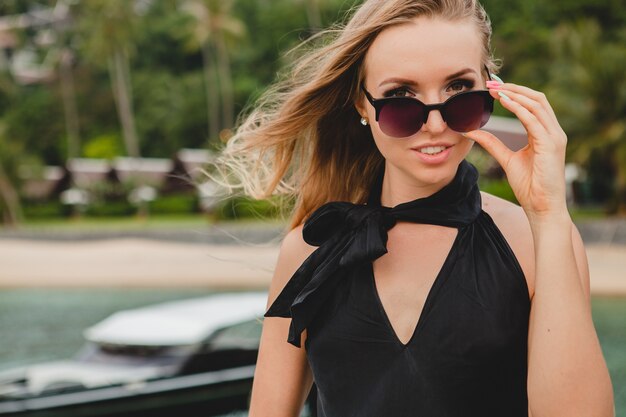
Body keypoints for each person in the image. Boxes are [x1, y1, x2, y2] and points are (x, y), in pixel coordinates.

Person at [215, 0, 615, 415]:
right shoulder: (309, 251)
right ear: (361, 104)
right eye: (400, 96)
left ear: (490, 86)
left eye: (459, 90)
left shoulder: (538, 241)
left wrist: (548, 213)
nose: (436, 124)